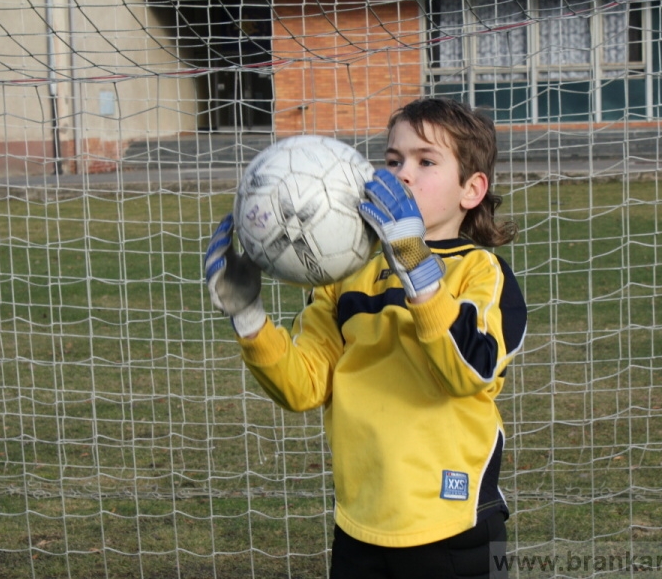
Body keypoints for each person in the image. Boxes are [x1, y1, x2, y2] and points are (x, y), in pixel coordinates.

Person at [204, 97, 527, 579]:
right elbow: (304, 386)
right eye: (393, 160)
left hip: (458, 523)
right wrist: (248, 316)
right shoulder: (344, 276)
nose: (402, 173)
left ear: (472, 189)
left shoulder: (481, 272)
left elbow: (471, 371)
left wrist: (417, 267)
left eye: (426, 161)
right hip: (360, 524)